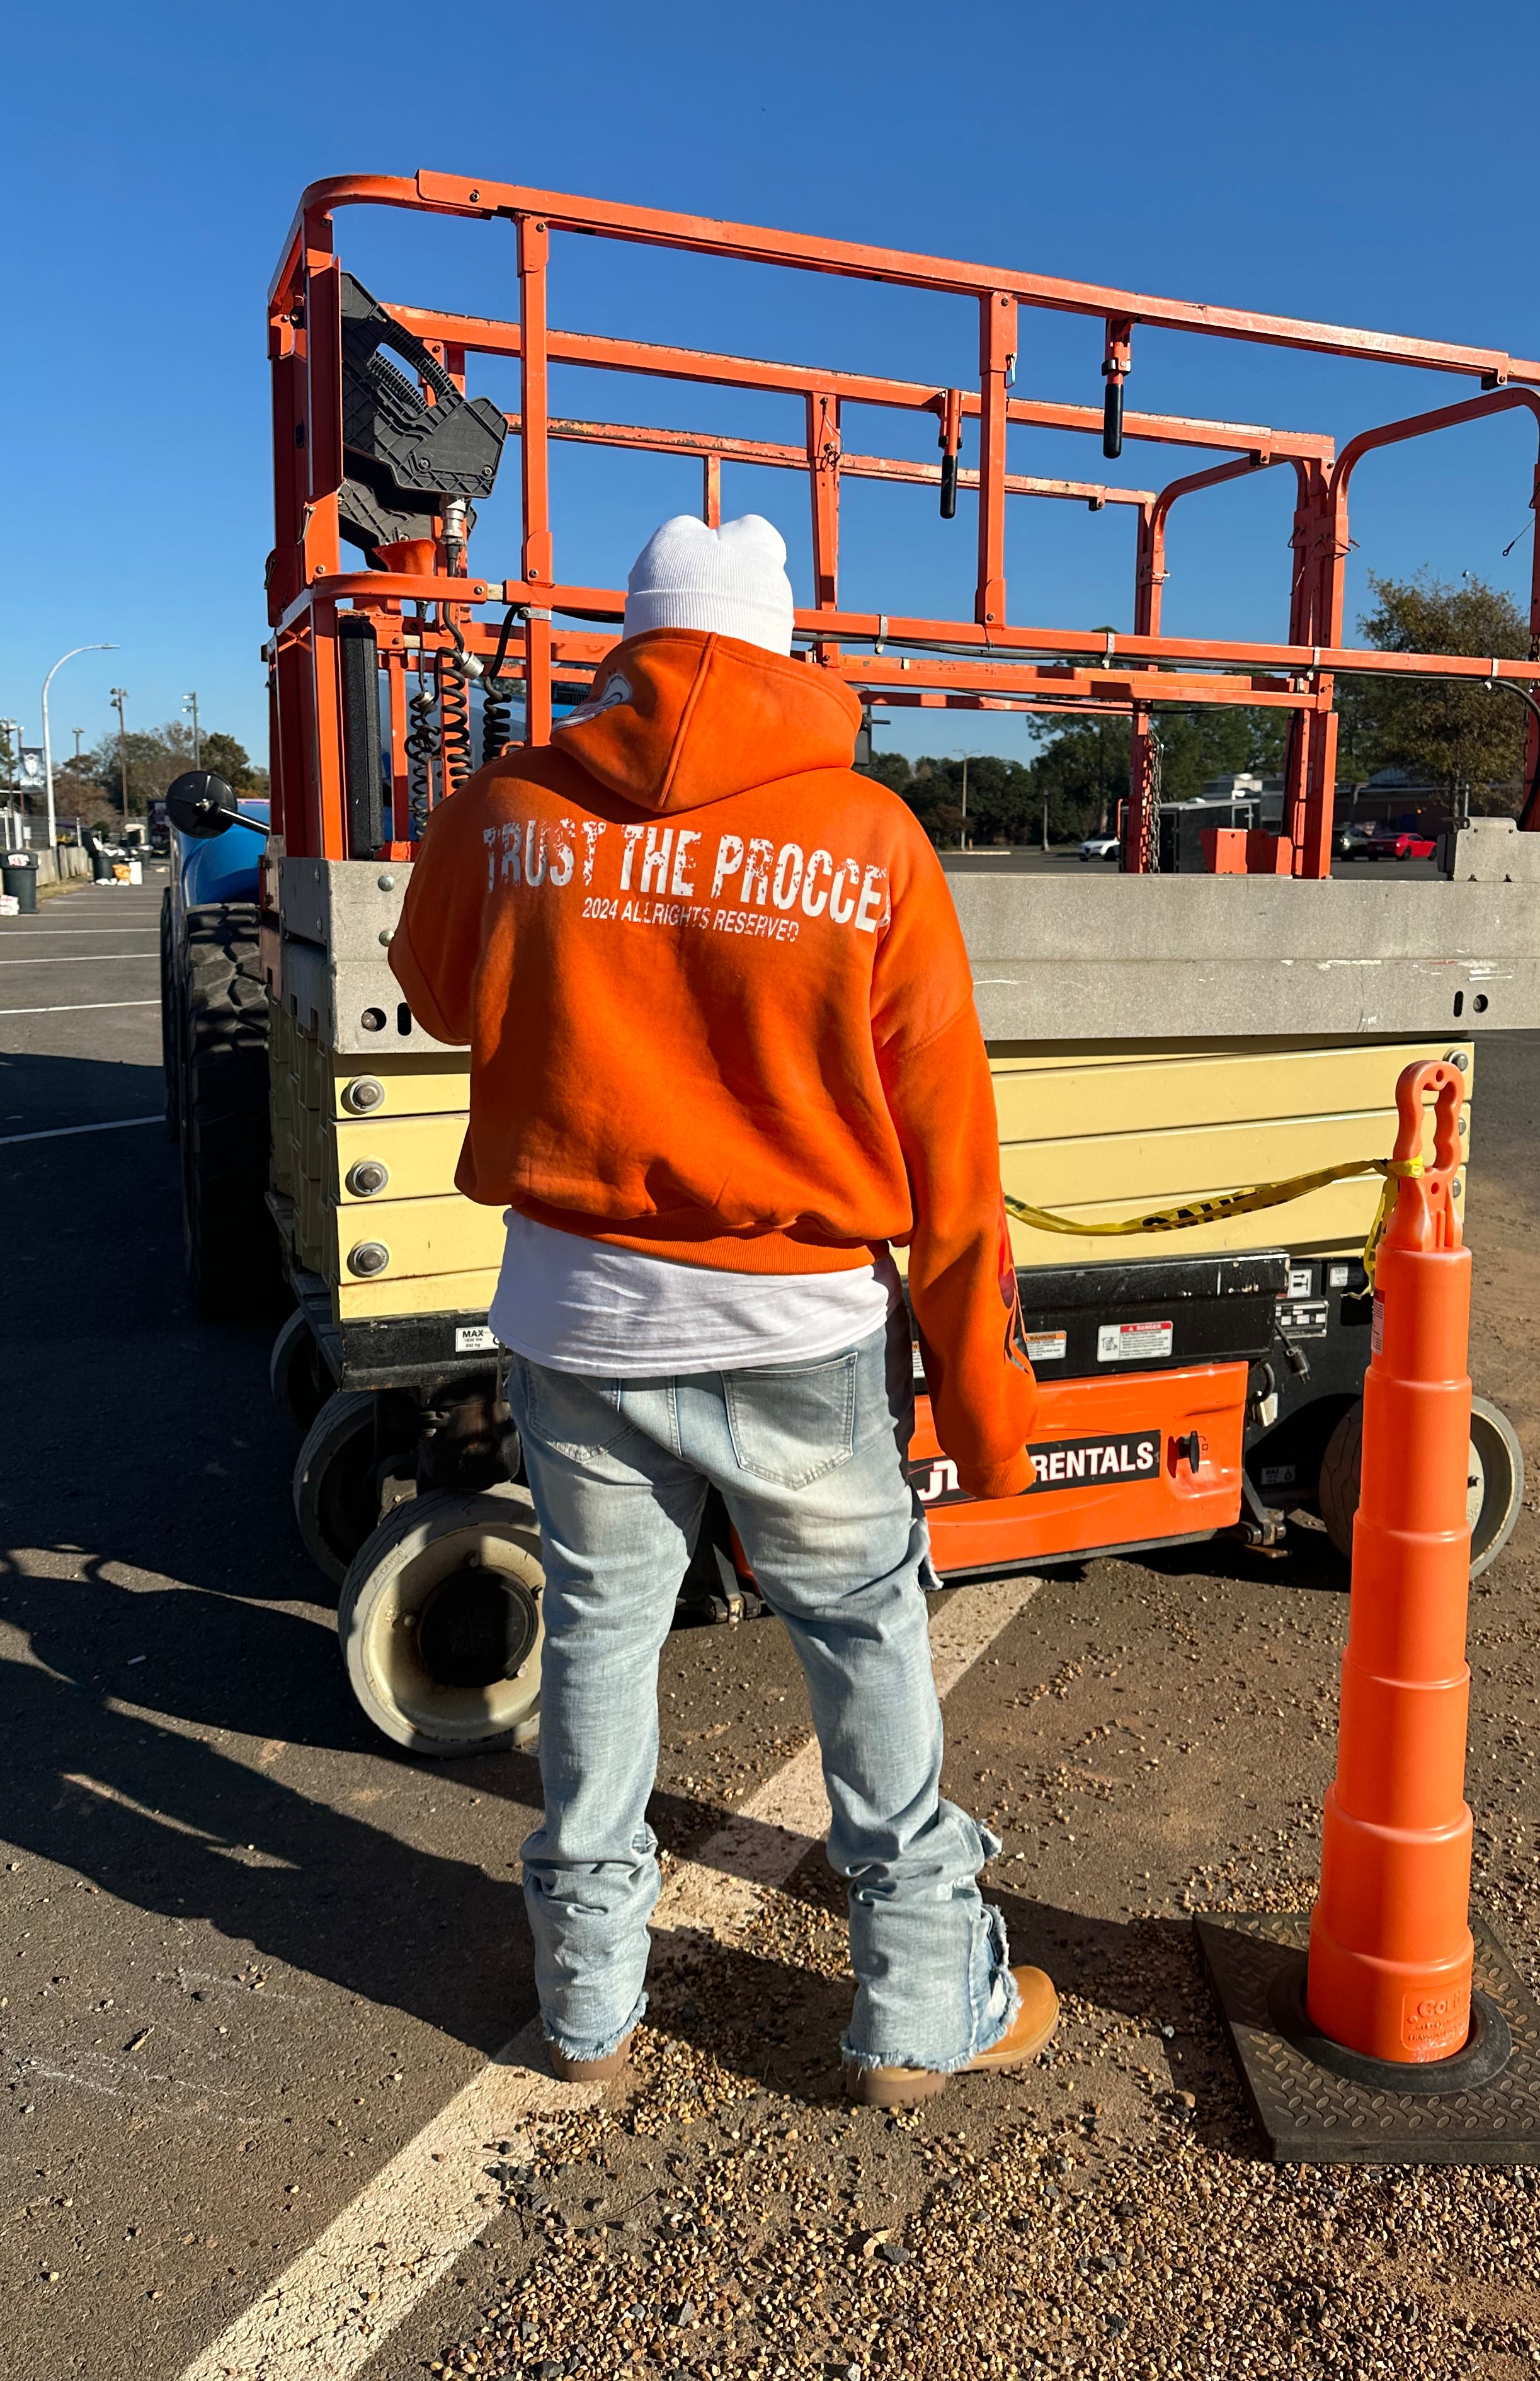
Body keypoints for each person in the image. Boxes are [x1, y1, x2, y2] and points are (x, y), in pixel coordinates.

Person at [389, 511, 1055, 2105]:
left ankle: (588, 2002)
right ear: (780, 646)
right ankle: (913, 2007)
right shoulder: (870, 837)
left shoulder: (514, 807)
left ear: (629, 644)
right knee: (867, 1635)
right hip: (793, 1324)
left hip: (575, 1314)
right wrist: (989, 1408)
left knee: (607, 1644)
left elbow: (429, 982)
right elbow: (951, 1142)